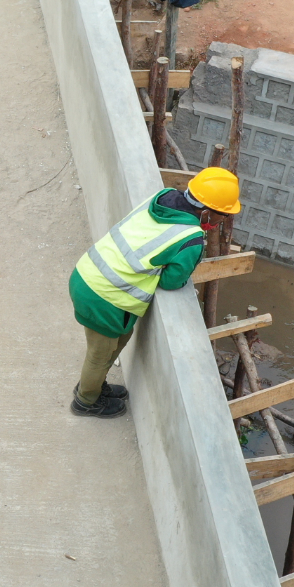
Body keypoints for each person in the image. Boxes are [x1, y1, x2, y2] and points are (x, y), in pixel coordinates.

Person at [67, 167, 241, 417]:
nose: (220, 223)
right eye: (221, 216)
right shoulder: (190, 238)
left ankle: (94, 386)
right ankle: (86, 401)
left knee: (116, 343)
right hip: (103, 296)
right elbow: (172, 281)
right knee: (99, 354)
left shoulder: (162, 198)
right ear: (205, 212)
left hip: (87, 274)